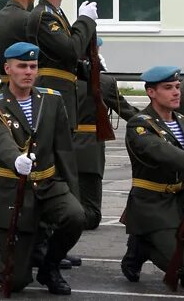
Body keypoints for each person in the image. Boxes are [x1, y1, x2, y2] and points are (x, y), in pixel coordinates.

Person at [0, 42, 83, 295]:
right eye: (22, 66)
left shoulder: (51, 100)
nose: (28, 71)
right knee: (16, 282)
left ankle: (50, 267)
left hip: (48, 183)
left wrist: (72, 191)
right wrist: (15, 158)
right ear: (8, 68)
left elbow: (64, 150)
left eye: (33, 66)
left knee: (75, 216)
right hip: (15, 189)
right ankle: (0, 251)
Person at [120, 65, 184, 291]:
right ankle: (142, 245)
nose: (176, 92)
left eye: (177, 87)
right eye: (168, 88)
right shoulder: (139, 123)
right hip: (152, 203)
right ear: (151, 92)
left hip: (178, 195)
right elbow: (158, 150)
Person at [73, 39, 139, 231]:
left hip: (63, 148)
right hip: (90, 150)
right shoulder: (104, 82)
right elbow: (128, 112)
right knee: (92, 214)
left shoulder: (61, 81)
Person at [25, 0, 98, 130]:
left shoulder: (54, 13)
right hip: (51, 92)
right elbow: (71, 50)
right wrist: (85, 20)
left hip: (61, 93)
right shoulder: (44, 16)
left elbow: (69, 55)